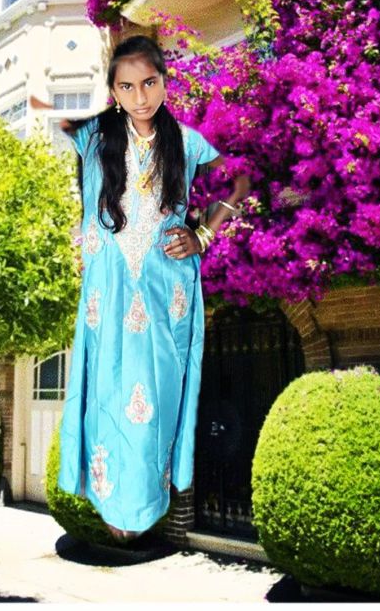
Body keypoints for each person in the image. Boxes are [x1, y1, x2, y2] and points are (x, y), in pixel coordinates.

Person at [51, 35, 250, 542]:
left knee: (154, 402)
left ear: (164, 83)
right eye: (126, 87)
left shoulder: (187, 141)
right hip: (108, 290)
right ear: (113, 93)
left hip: (165, 290)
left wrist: (203, 234)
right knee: (106, 393)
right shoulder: (94, 138)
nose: (140, 97)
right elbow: (50, 115)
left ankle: (144, 501)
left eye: (149, 83)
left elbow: (241, 181)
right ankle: (110, 499)